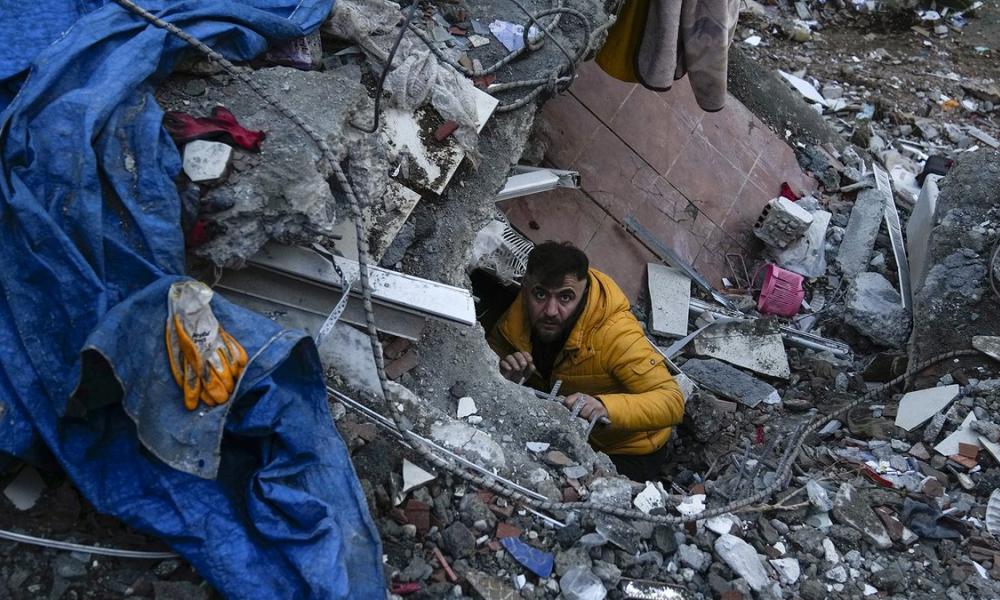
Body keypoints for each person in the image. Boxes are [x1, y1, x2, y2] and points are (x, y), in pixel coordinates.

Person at [488, 241, 685, 481]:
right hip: (563, 429)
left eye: (565, 297)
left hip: (627, 450)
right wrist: (505, 377)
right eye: (540, 294)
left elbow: (672, 400)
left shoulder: (615, 333)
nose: (550, 310)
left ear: (584, 294)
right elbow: (486, 362)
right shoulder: (516, 320)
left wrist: (605, 406)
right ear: (526, 286)